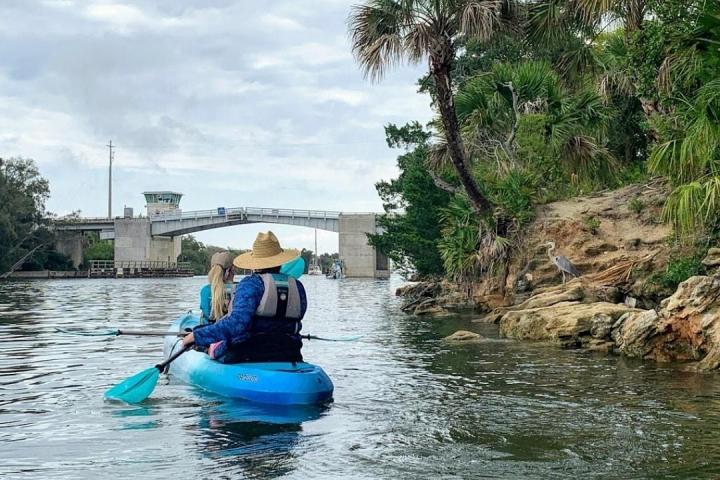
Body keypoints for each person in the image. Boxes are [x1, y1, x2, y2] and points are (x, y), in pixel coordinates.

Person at [183, 231, 307, 363]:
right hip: (290, 352)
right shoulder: (298, 286)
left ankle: (208, 349)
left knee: (211, 343)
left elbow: (237, 324)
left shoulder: (251, 284)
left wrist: (196, 336)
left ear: (255, 262)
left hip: (248, 352)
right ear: (280, 262)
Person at [199, 251, 235, 324]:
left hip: (207, 331)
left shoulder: (204, 290)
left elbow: (206, 313)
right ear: (228, 271)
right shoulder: (237, 289)